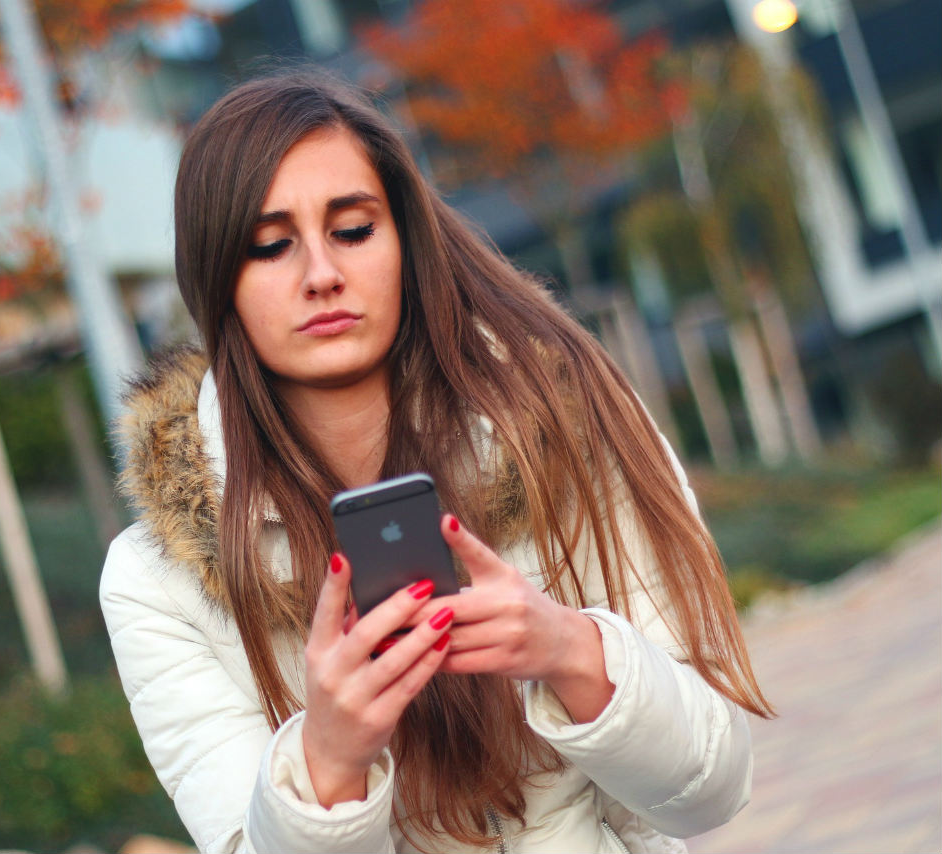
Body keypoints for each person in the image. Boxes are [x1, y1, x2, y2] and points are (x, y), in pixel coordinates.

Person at [100, 71, 772, 854]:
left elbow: (713, 790)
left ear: (403, 240)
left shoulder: (566, 422)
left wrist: (571, 652)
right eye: (271, 245)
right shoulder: (157, 583)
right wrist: (326, 762)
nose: (321, 274)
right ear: (216, 277)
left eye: (352, 229)